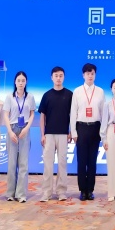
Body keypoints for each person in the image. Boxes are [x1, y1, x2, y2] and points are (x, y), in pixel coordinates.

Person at [70, 63, 105, 201]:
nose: (90, 76)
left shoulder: (100, 91)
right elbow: (73, 113)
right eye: (88, 73)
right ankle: (82, 190)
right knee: (81, 161)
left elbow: (103, 114)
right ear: (83, 75)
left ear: (95, 75)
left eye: (92, 73)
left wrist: (102, 132)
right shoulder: (77, 91)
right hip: (82, 128)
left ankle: (90, 190)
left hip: (95, 128)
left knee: (92, 161)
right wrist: (73, 132)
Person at [39, 66, 73, 202]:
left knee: (62, 164)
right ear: (51, 78)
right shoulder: (47, 95)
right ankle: (46, 192)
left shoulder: (69, 95)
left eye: (61, 76)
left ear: (64, 77)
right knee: (48, 164)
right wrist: (42, 134)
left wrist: (71, 131)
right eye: (56, 76)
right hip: (49, 135)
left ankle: (61, 192)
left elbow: (73, 115)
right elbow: (42, 117)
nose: (58, 78)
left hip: (64, 134)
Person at [3, 71, 36, 203]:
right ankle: (10, 193)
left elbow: (32, 114)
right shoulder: (9, 97)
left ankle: (21, 194)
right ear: (15, 82)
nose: (21, 83)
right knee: (11, 164)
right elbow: (5, 115)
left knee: (23, 164)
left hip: (25, 129)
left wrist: (26, 128)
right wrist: (10, 131)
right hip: (12, 128)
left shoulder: (30, 97)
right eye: (19, 80)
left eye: (23, 80)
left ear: (26, 82)